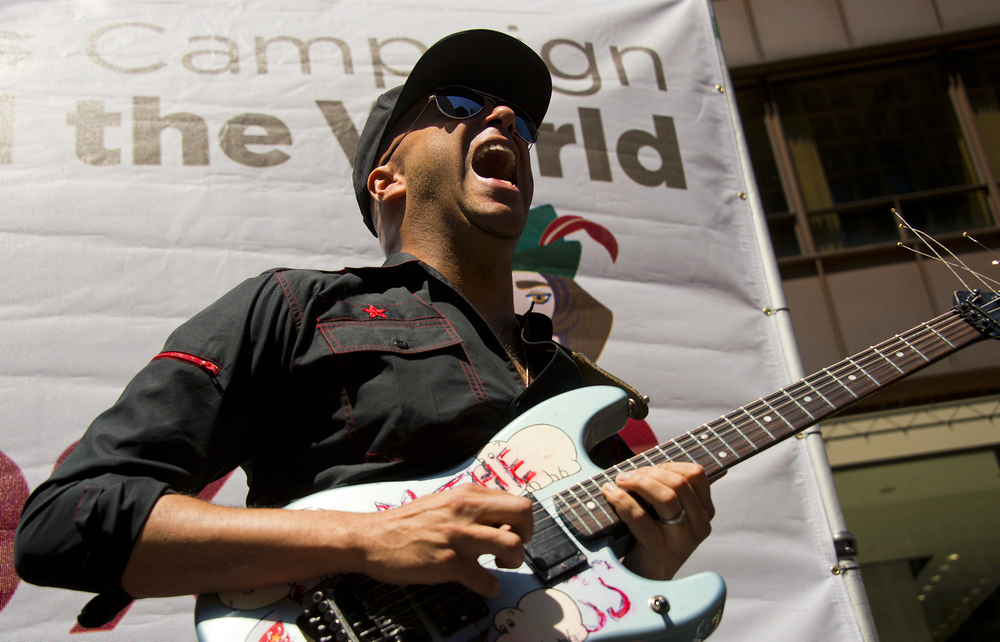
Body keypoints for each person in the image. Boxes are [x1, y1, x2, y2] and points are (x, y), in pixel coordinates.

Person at [14, 29, 715, 628]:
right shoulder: (296, 308)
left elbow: (597, 603)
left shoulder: (577, 389)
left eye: (522, 125)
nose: (505, 117)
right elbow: (66, 520)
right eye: (459, 105)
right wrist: (364, 538)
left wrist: (650, 559)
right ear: (386, 179)